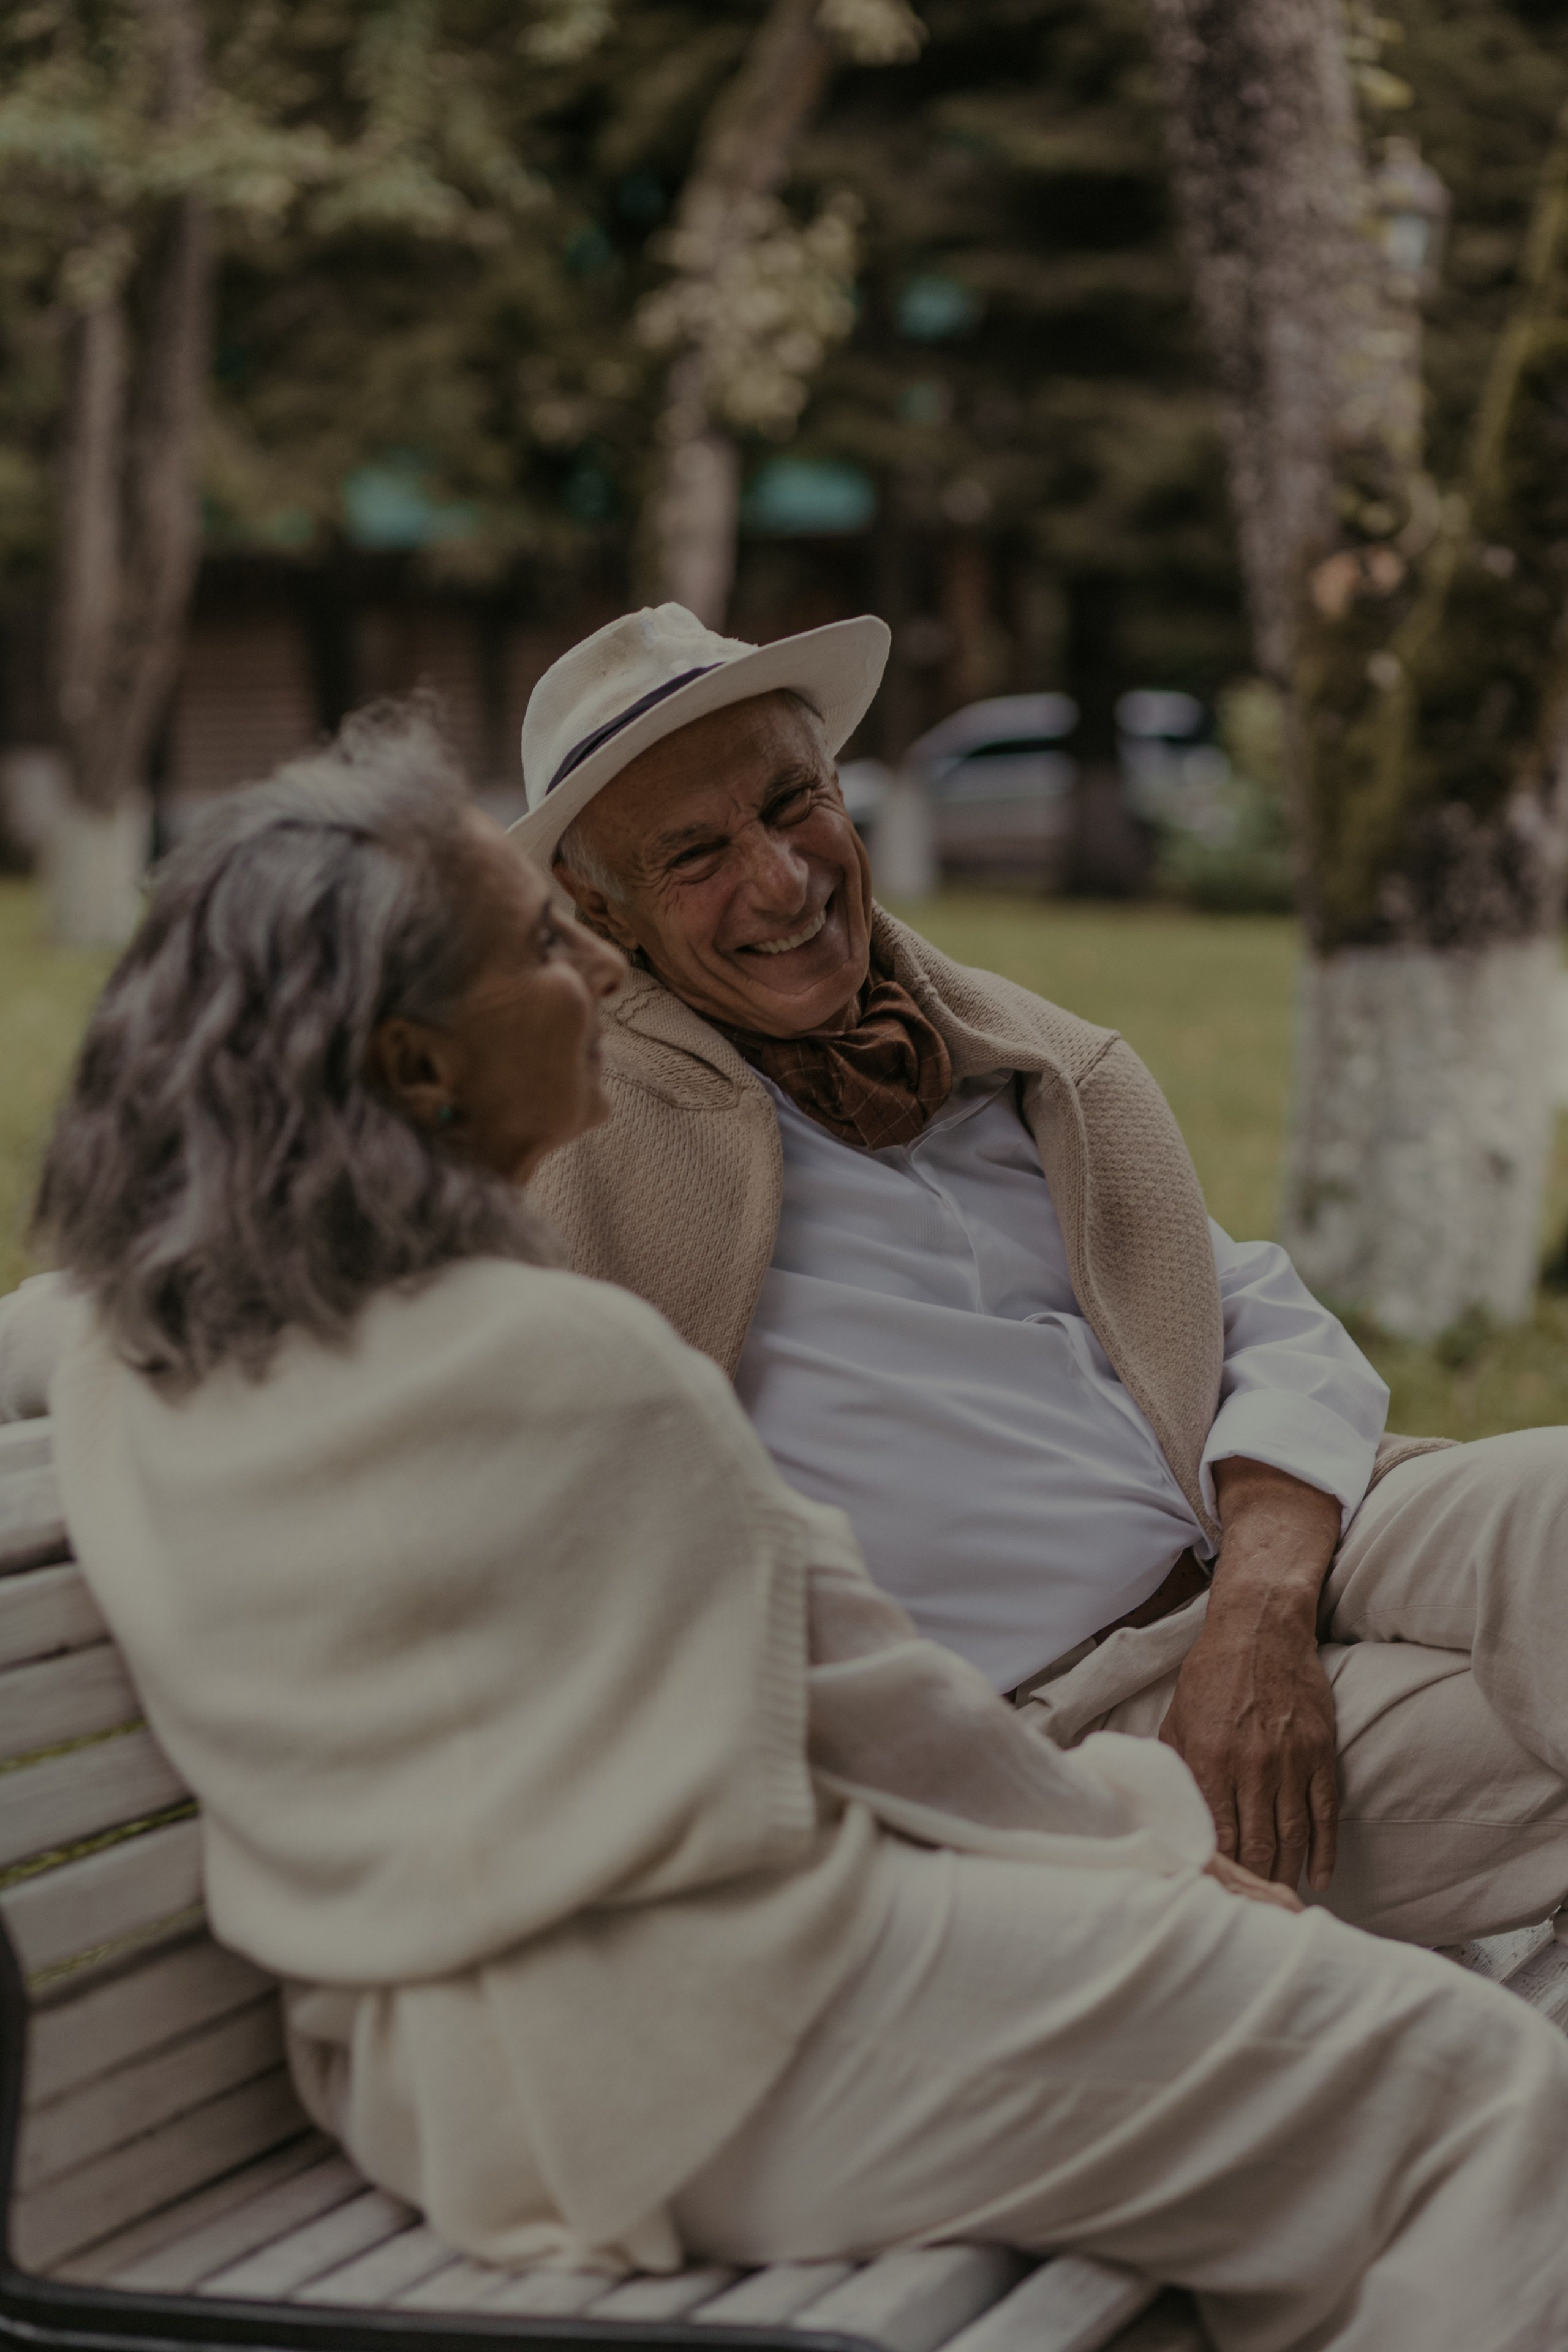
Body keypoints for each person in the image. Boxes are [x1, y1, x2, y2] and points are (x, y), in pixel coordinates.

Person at [6, 706, 1568, 2352]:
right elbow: (897, 1729)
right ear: (416, 1067)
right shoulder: (571, 1361)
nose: (599, 980)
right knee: (1484, 2094)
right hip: (718, 2029)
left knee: (1385, 2074)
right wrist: (1173, 1868)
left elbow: (55, 1318)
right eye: (546, 943)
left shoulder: (137, 1343)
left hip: (468, 2071)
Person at [507, 599, 1568, 1948]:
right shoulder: (587, 1153)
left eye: (793, 804)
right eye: (697, 855)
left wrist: (1260, 1593)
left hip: (1292, 1543)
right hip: (1079, 1719)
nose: (779, 881)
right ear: (601, 913)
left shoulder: (992, 1050)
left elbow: (1234, 1295)